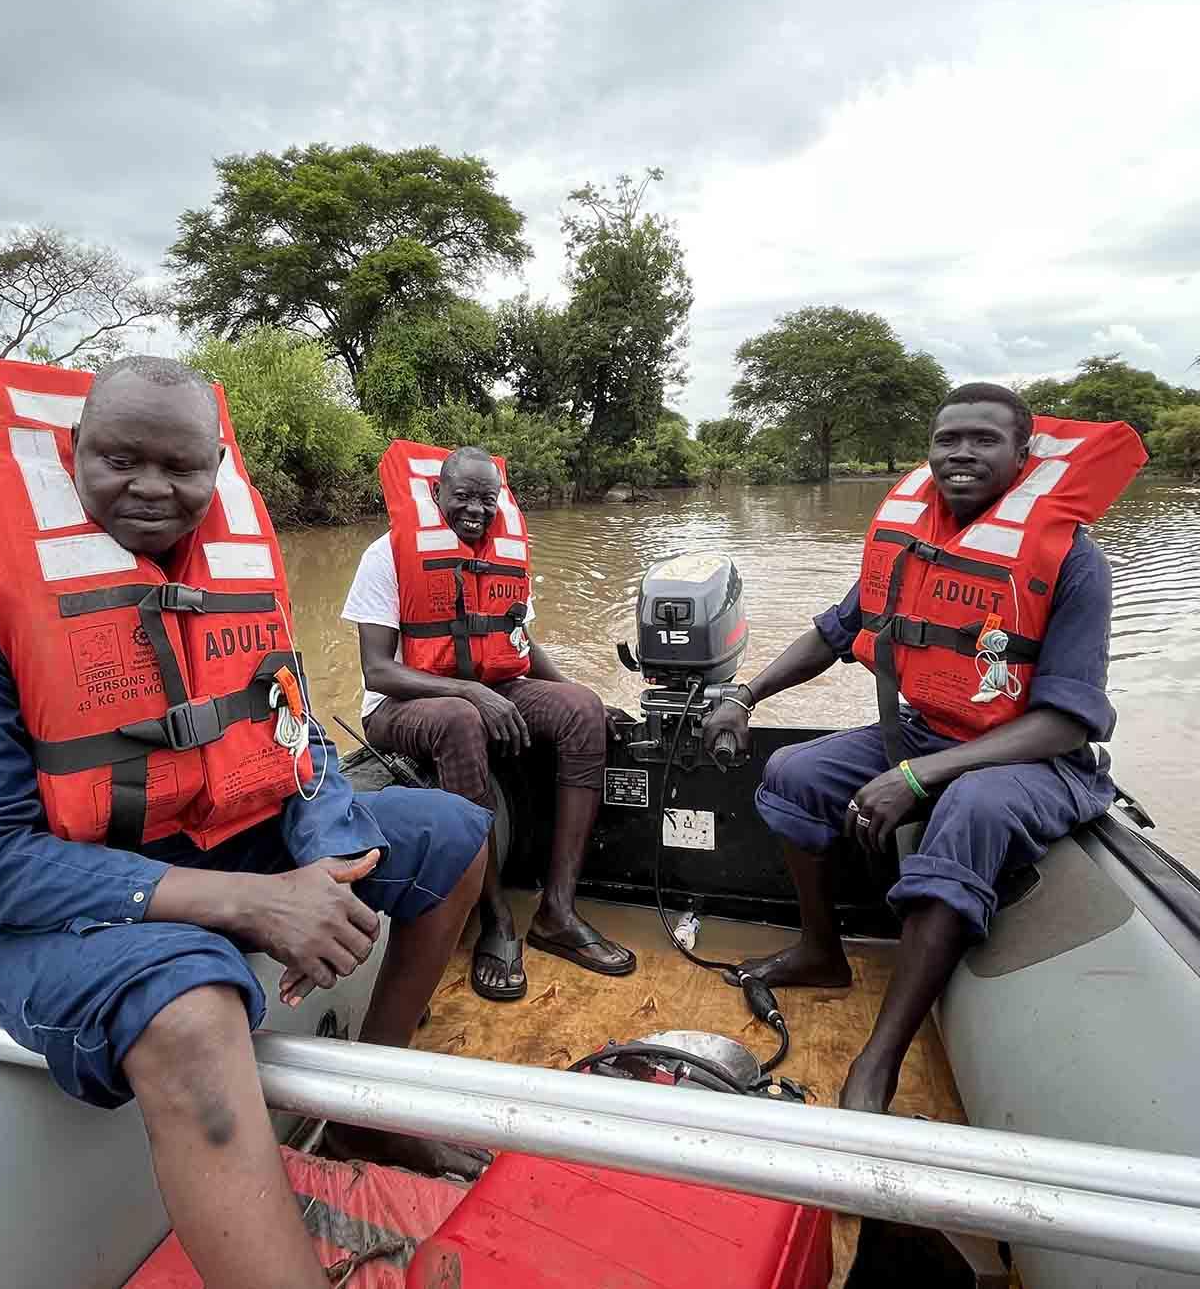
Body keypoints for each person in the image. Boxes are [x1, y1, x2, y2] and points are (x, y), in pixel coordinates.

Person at [0, 357, 493, 1289]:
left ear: (219, 468)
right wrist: (250, 904)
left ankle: (373, 1104)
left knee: (452, 831)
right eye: (120, 459)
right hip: (40, 899)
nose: (153, 489)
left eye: (182, 467)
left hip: (215, 837)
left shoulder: (235, 581)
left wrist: (328, 859)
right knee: (189, 999)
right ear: (70, 452)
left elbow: (299, 746)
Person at [702, 383, 1143, 1113]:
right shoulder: (911, 540)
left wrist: (917, 773)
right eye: (948, 440)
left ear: (1023, 455)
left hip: (1036, 759)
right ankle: (822, 953)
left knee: (968, 806)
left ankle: (880, 1058)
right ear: (929, 450)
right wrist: (744, 696)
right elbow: (834, 633)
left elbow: (1069, 721)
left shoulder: (1071, 560)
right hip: (928, 733)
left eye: (984, 440)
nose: (961, 454)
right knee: (792, 773)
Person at [344, 441, 634, 1001]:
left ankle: (557, 911)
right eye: (463, 497)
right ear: (435, 493)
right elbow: (377, 671)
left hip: (491, 689)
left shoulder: (506, 556)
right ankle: (495, 916)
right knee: (459, 718)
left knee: (581, 711)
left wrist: (584, 695)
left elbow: (522, 642)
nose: (477, 510)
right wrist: (471, 690)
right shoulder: (387, 555)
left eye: (487, 498)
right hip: (403, 707)